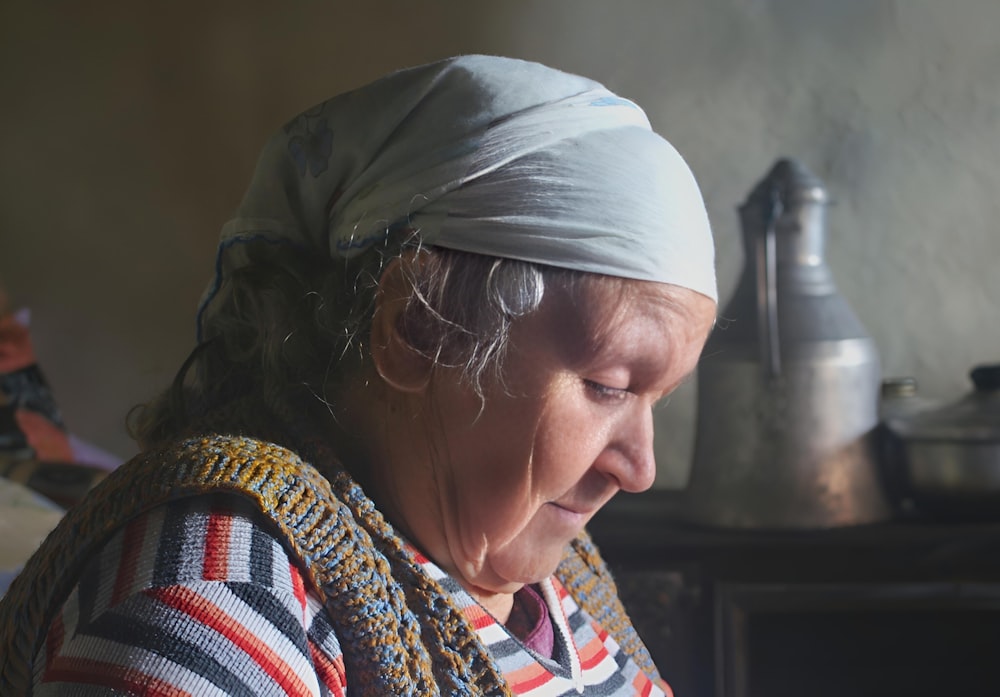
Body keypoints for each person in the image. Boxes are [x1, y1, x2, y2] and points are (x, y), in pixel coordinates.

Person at [0, 55, 716, 696]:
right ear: (418, 329)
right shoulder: (217, 597)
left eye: (658, 397)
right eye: (610, 386)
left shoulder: (556, 578)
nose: (640, 466)